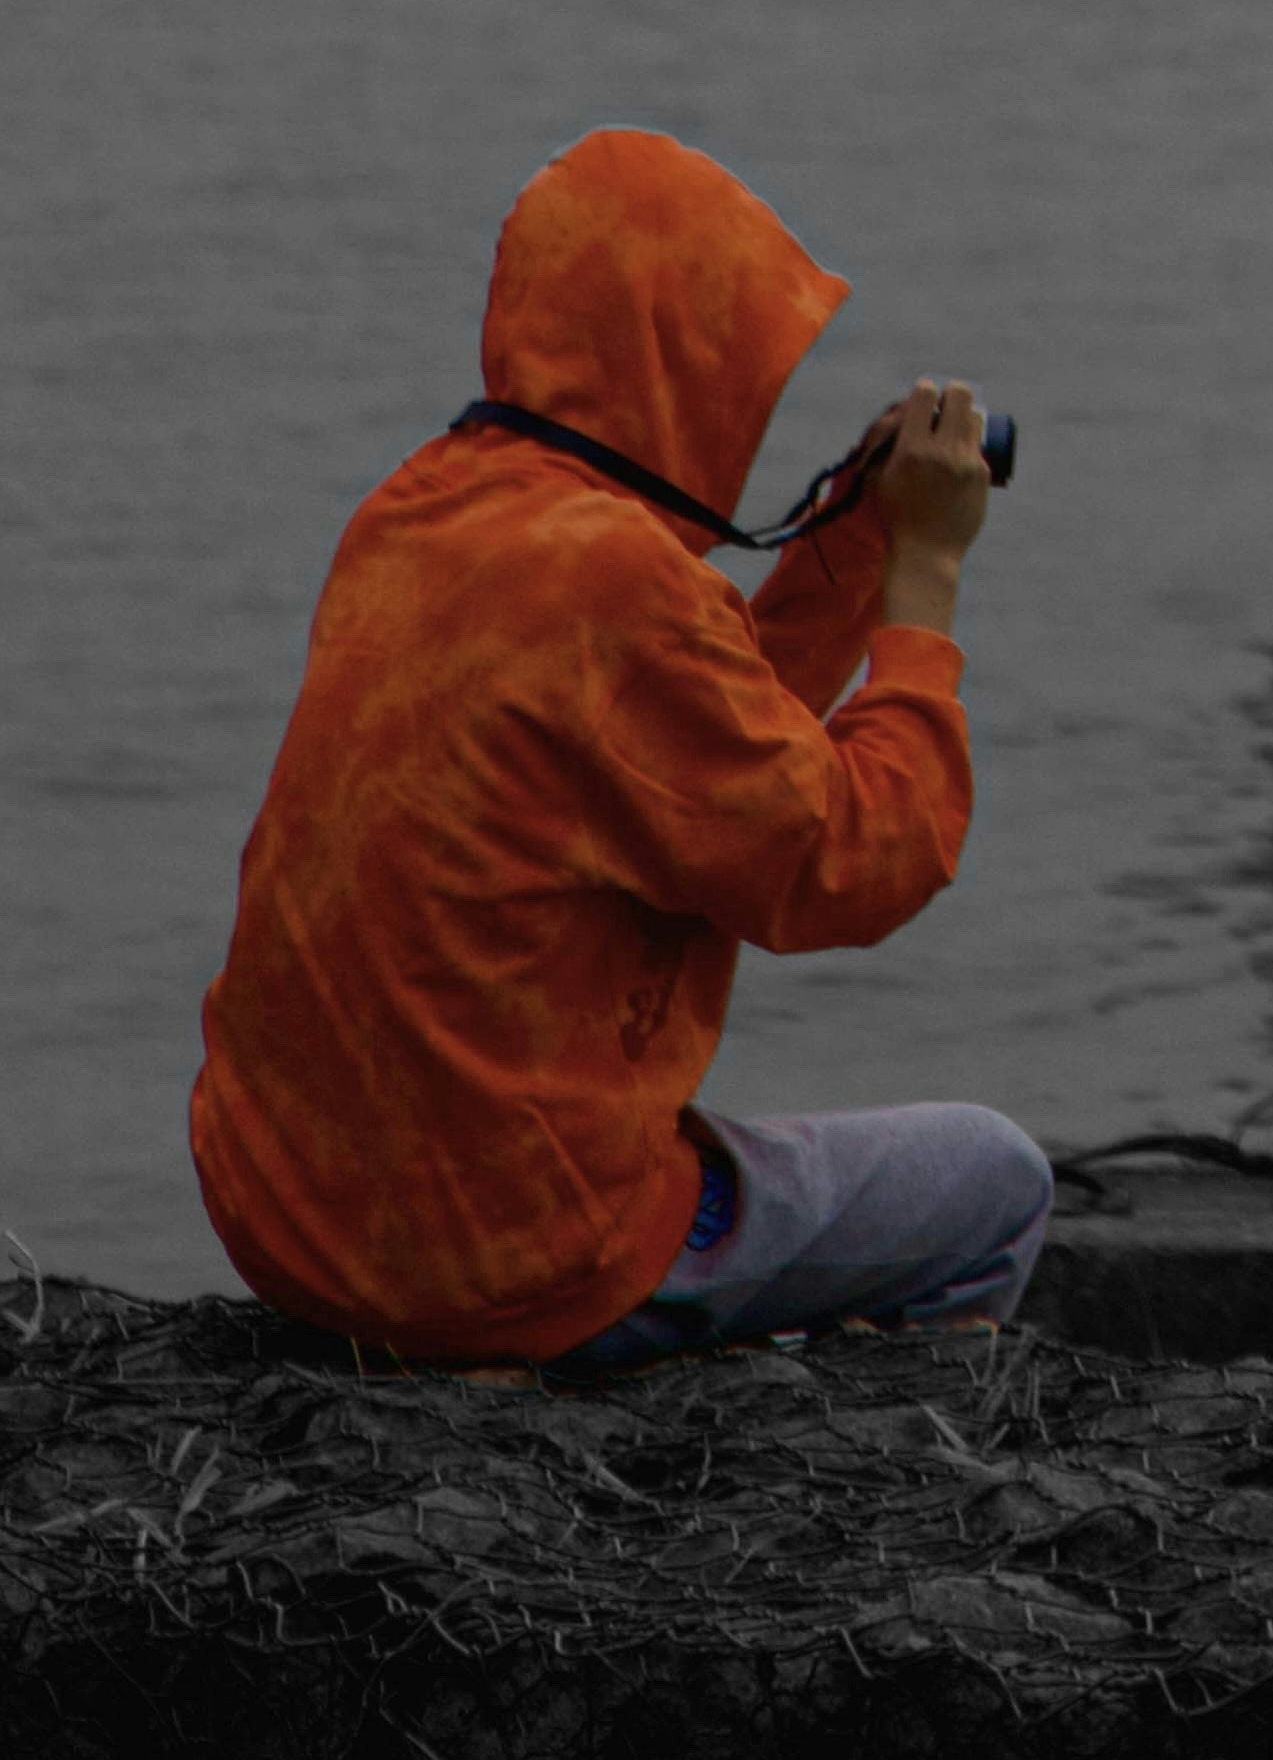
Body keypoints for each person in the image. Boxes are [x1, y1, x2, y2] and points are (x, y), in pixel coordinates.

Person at [192, 123, 1055, 1372]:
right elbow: (860, 859)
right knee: (994, 1179)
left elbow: (694, 747)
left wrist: (850, 542)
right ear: (682, 360)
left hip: (281, 1217)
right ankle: (875, 1471)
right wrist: (926, 573)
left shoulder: (412, 513)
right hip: (495, 1261)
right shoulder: (616, 589)